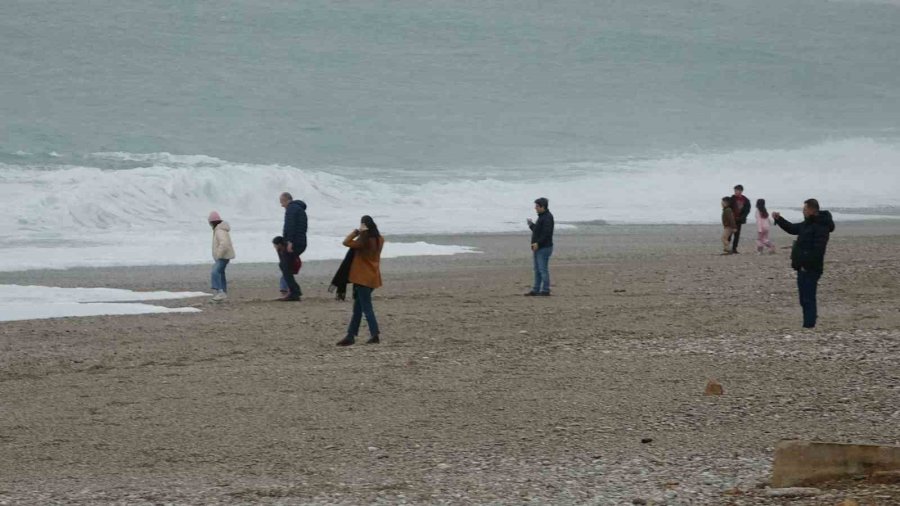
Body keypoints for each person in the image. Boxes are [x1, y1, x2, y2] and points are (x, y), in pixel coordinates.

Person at [772, 199, 835, 329]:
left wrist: (807, 261)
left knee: (808, 297)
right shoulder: (807, 223)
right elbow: (793, 228)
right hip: (801, 267)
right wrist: (779, 219)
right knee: (803, 298)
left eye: (805, 209)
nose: (803, 211)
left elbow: (819, 249)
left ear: (812, 210)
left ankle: (809, 325)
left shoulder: (821, 226)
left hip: (812, 268)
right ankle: (808, 322)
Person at [336, 216, 384, 346]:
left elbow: (346, 242)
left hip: (362, 278)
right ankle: (350, 336)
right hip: (373, 277)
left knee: (366, 307)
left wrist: (357, 231)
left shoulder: (363, 242)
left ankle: (375, 334)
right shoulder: (380, 239)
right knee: (357, 309)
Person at [279, 192, 307, 301]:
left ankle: (295, 292)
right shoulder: (299, 209)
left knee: (284, 266)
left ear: (287, 200)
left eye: (282, 202)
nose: (281, 205)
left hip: (294, 242)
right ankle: (293, 291)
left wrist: (289, 242)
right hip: (301, 242)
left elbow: (290, 226)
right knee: (286, 265)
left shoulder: (291, 209)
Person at [525, 197, 554, 296]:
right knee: (537, 270)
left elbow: (546, 234)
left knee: (542, 269)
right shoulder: (541, 217)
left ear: (543, 207)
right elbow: (537, 231)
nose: (535, 208)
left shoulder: (547, 217)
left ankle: (545, 289)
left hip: (544, 248)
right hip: (537, 247)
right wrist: (531, 225)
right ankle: (536, 289)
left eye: (537, 206)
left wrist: (538, 243)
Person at [208, 211, 235, 302]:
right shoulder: (221, 230)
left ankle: (220, 292)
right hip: (225, 256)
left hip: (223, 256)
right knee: (221, 273)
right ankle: (223, 293)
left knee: (214, 272)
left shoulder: (219, 231)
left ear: (212, 222)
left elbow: (224, 244)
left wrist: (218, 255)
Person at [730, 184, 751, 254]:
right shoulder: (731, 198)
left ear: (741, 191)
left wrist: (743, 217)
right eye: (735, 190)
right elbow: (727, 208)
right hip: (731, 219)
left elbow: (747, 210)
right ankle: (726, 248)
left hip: (739, 219)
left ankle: (734, 249)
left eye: (737, 190)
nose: (735, 192)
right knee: (729, 234)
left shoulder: (746, 200)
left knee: (737, 235)